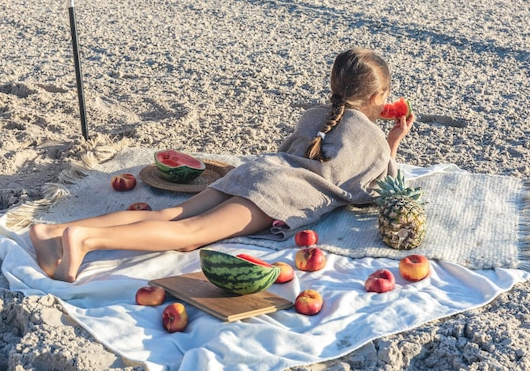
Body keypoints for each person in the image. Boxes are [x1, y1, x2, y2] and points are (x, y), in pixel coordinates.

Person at [30, 47, 415, 282]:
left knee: (172, 216)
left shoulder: (315, 114)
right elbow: (380, 192)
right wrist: (392, 144)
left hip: (255, 170)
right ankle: (84, 241)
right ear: (379, 97)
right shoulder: (373, 142)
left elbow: (296, 150)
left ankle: (55, 231)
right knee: (191, 235)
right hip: (275, 195)